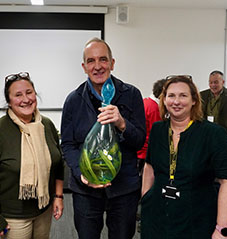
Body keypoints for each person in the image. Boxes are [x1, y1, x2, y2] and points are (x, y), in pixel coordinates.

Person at [61, 37, 146, 239]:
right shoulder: (73, 100)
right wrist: (82, 173)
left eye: (103, 59)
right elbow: (68, 145)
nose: (97, 66)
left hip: (124, 188)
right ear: (84, 66)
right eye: (91, 61)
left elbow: (140, 141)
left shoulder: (132, 94)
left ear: (112, 63)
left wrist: (122, 123)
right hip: (85, 191)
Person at [141, 75, 227, 238]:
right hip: (157, 217)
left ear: (194, 100)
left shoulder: (213, 134)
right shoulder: (158, 130)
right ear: (164, 100)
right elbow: (149, 166)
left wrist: (222, 228)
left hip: (196, 219)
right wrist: (146, 199)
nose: (176, 101)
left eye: (183, 95)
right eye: (171, 96)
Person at [0, 72, 64, 239]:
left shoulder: (46, 125)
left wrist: (58, 196)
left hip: (43, 209)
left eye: (29, 92)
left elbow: (58, 163)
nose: (25, 99)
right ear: (9, 102)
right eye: (18, 95)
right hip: (13, 217)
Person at [137, 78, 167, 174]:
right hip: (145, 154)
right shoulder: (154, 109)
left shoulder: (146, 102)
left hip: (139, 151)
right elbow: (158, 135)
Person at [200, 70, 227, 138]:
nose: (213, 85)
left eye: (216, 82)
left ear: (223, 82)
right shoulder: (202, 95)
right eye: (210, 82)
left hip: (222, 135)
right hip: (204, 134)